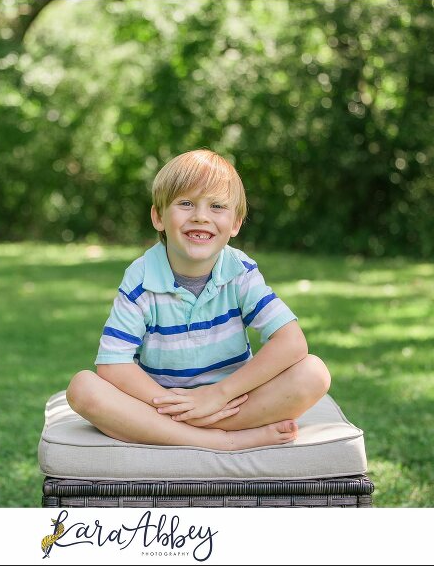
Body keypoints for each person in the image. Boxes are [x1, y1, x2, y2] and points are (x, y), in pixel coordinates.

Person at [66, 149, 331, 450]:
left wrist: (216, 396)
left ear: (235, 224)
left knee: (314, 373)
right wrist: (179, 405)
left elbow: (292, 343)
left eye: (217, 206)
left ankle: (179, 432)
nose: (201, 216)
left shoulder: (239, 272)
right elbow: (112, 365)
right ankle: (220, 441)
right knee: (83, 388)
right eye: (186, 203)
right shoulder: (141, 278)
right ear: (158, 216)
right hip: (161, 402)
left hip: (231, 400)